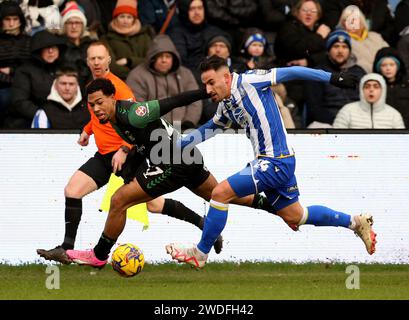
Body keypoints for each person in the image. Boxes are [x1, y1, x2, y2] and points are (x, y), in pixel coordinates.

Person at [165, 55, 377, 269]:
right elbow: (208, 129)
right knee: (296, 216)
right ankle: (356, 222)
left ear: (227, 77)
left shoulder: (251, 81)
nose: (208, 90)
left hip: (274, 161)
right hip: (276, 162)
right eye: (205, 84)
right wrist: (178, 145)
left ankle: (200, 253)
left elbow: (293, 72)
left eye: (211, 82)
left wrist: (331, 77)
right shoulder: (226, 106)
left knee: (220, 193)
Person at [36, 41, 225, 264]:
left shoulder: (118, 89)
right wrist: (87, 131)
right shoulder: (93, 90)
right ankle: (66, 249)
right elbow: (99, 118)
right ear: (87, 61)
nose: (96, 62)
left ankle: (202, 223)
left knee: (149, 204)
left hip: (124, 154)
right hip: (104, 154)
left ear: (109, 60)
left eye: (100, 58)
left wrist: (125, 149)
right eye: (92, 58)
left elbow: (137, 122)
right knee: (73, 189)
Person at [65, 78, 279, 267]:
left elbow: (173, 101)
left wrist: (204, 92)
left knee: (119, 200)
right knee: (221, 194)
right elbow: (142, 144)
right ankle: (276, 205)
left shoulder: (132, 113)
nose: (96, 109)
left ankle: (99, 255)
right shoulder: (114, 120)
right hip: (188, 157)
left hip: (173, 163)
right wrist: (131, 167)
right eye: (92, 105)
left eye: (100, 102)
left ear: (113, 97)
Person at [126, 34, 202, 130]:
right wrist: (153, 126)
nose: (164, 60)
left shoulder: (185, 74)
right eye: (160, 56)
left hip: (184, 127)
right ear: (152, 58)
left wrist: (189, 123)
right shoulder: (137, 75)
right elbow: (137, 106)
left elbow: (195, 101)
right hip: (151, 129)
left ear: (174, 58)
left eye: (168, 56)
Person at [5, 29, 66, 129]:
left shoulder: (67, 69)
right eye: (46, 48)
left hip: (62, 119)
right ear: (38, 51)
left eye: (53, 47)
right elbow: (20, 101)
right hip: (30, 120)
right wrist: (42, 114)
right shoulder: (25, 71)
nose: (50, 51)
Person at [305, 29, 366, 127]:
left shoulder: (359, 72)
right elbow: (315, 108)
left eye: (344, 47)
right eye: (336, 46)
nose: (340, 51)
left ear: (350, 51)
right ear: (328, 50)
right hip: (328, 124)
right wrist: (339, 122)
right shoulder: (318, 73)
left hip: (357, 122)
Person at [101, 0, 154, 80]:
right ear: (116, 18)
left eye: (129, 17)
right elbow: (111, 67)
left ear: (134, 19)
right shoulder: (107, 39)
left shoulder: (145, 37)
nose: (125, 21)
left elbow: (151, 61)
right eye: (122, 16)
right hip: (120, 82)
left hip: (146, 82)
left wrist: (129, 61)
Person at [333, 73, 405, 129]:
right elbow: (335, 139)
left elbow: (401, 143)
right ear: (361, 90)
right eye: (367, 86)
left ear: (383, 90)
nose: (371, 90)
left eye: (376, 86)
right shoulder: (347, 111)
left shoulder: (394, 115)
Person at [0, 0, 31, 128]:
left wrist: (11, 71)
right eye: (7, 19)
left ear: (20, 21)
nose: (12, 23)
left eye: (15, 19)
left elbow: (31, 67)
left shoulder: (29, 41)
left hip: (25, 85)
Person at [337, 5, 389, 74]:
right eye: (346, 20)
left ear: (361, 20)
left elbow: (389, 55)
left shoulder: (376, 36)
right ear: (343, 24)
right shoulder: (343, 41)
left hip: (385, 74)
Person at [373, 46, 409, 128]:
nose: (388, 68)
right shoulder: (375, 87)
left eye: (392, 64)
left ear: (398, 66)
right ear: (378, 68)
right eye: (384, 65)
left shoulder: (407, 86)